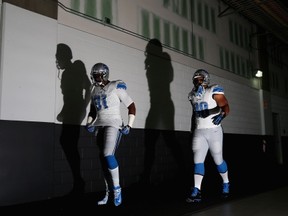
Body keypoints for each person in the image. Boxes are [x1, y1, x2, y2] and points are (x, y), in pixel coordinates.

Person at [85, 63, 136, 206]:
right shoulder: (93, 88)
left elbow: (131, 105)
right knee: (103, 162)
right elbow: (93, 111)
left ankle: (117, 189)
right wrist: (89, 123)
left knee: (108, 153)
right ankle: (108, 193)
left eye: (98, 75)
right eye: (94, 75)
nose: (95, 78)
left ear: (105, 74)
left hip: (113, 124)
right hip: (99, 125)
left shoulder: (116, 87)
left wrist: (129, 125)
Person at [186, 69, 230, 203]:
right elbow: (194, 113)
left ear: (205, 79)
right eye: (195, 79)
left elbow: (225, 106)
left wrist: (220, 115)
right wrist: (192, 128)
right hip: (199, 130)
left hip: (213, 130)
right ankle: (196, 189)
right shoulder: (192, 95)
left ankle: (226, 182)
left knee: (218, 160)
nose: (197, 81)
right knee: (197, 160)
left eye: (199, 79)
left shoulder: (214, 90)